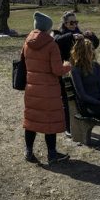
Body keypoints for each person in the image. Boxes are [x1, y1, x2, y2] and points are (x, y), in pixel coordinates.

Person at [21, 12, 72, 163]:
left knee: (31, 120)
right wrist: (67, 65)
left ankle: (28, 152)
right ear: (47, 27)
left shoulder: (26, 42)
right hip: (49, 90)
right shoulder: (51, 44)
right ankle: (52, 154)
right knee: (50, 120)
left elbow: (24, 64)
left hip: (31, 88)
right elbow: (57, 70)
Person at [54, 11, 98, 137]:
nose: (74, 24)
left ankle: (80, 123)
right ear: (65, 23)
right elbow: (55, 41)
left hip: (79, 72)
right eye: (71, 22)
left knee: (79, 97)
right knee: (67, 100)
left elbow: (94, 46)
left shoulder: (79, 33)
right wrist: (71, 36)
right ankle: (68, 127)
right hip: (65, 73)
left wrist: (92, 36)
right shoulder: (59, 33)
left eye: (76, 22)